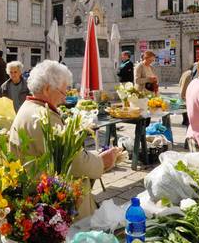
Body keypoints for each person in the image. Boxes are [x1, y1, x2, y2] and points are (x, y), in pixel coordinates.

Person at [7, 60, 119, 220]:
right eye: (63, 91)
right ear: (47, 89)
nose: (65, 98)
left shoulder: (30, 108)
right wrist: (102, 162)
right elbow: (74, 162)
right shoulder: (43, 116)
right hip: (52, 204)